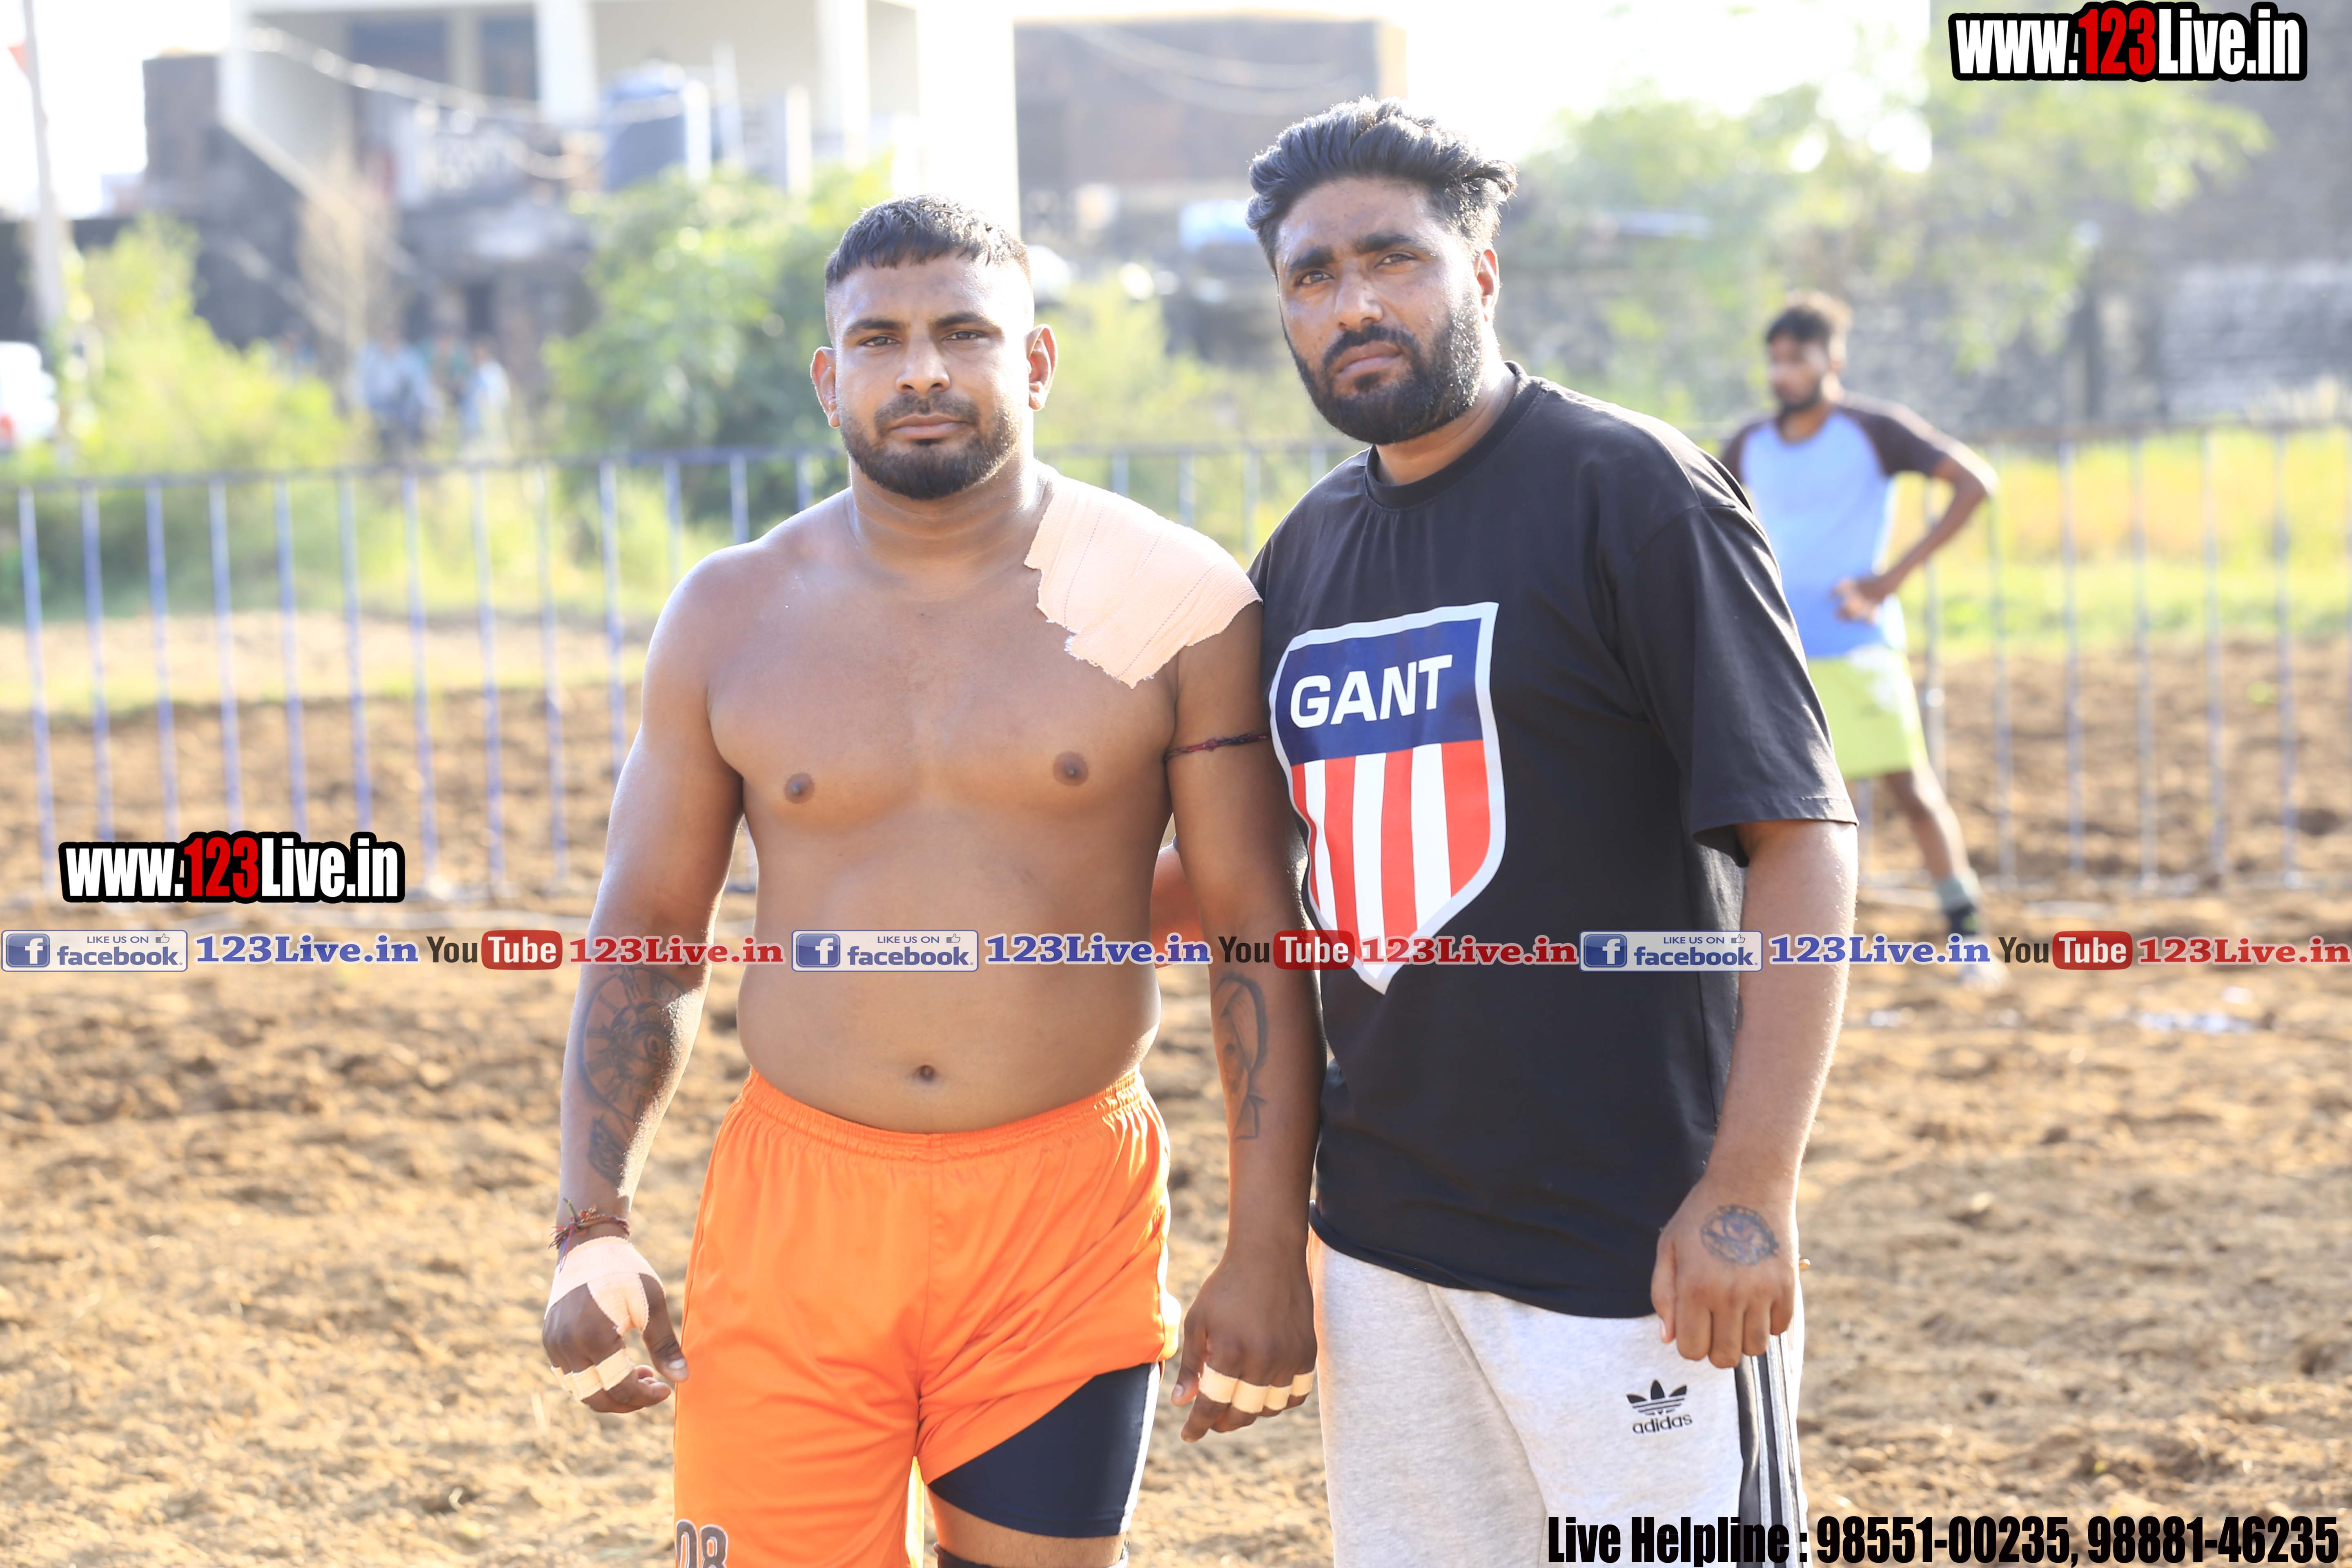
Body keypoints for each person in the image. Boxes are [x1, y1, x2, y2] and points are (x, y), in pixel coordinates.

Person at [538, 195, 1322, 1568]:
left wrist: (1267, 1248)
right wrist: (590, 1227)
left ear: (1037, 361)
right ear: (826, 375)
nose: (922, 371)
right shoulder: (730, 614)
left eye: (965, 332)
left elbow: (1255, 928)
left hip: (1062, 1211)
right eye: (879, 340)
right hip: (798, 1212)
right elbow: (651, 932)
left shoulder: (1174, 603)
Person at [1152, 100, 1857, 1563]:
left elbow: (1799, 838)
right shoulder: (1305, 555)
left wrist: (1746, 1192)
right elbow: (1246, 892)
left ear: (1480, 269)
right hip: (1383, 1250)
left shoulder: (1633, 491)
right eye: (1310, 276)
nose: (1352, 303)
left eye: (1391, 259)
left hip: (1632, 1250)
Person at [1721, 293, 2001, 959]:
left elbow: (1974, 483)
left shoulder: (1875, 430)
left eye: (1798, 359)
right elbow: (1709, 525)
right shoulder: (1748, 443)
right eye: (1775, 361)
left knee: (1910, 787)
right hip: (1781, 652)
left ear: (1833, 360)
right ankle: (1797, 946)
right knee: (1790, 808)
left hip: (1858, 644)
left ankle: (1966, 933)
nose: (1783, 373)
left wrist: (1888, 581)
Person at [459, 335, 512, 456]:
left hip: (489, 424)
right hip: (472, 428)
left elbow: (498, 400)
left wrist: (490, 418)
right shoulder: (473, 375)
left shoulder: (493, 373)